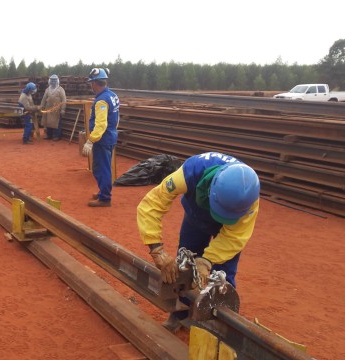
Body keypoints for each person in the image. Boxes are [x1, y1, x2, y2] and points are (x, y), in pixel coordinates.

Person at [136, 151, 260, 332]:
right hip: (196, 216)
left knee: (222, 277)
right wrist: (156, 248)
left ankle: (218, 328)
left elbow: (235, 237)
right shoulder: (190, 172)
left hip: (228, 229)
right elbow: (152, 204)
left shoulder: (248, 199)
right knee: (184, 266)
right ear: (211, 190)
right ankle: (180, 314)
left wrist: (207, 261)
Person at [81, 68, 120, 207]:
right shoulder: (113, 95)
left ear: (94, 83)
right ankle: (103, 191)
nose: (91, 85)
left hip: (103, 139)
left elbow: (101, 125)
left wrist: (90, 140)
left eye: (91, 83)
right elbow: (116, 118)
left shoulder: (101, 101)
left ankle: (105, 198)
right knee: (105, 167)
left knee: (101, 168)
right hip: (111, 136)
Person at [40, 74, 67, 141]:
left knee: (57, 123)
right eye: (52, 80)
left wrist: (63, 109)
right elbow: (44, 98)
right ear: (50, 81)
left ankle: (57, 136)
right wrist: (42, 106)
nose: (53, 82)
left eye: (54, 80)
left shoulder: (61, 89)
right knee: (48, 122)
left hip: (57, 109)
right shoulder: (47, 89)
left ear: (57, 81)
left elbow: (64, 100)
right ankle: (49, 135)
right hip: (48, 108)